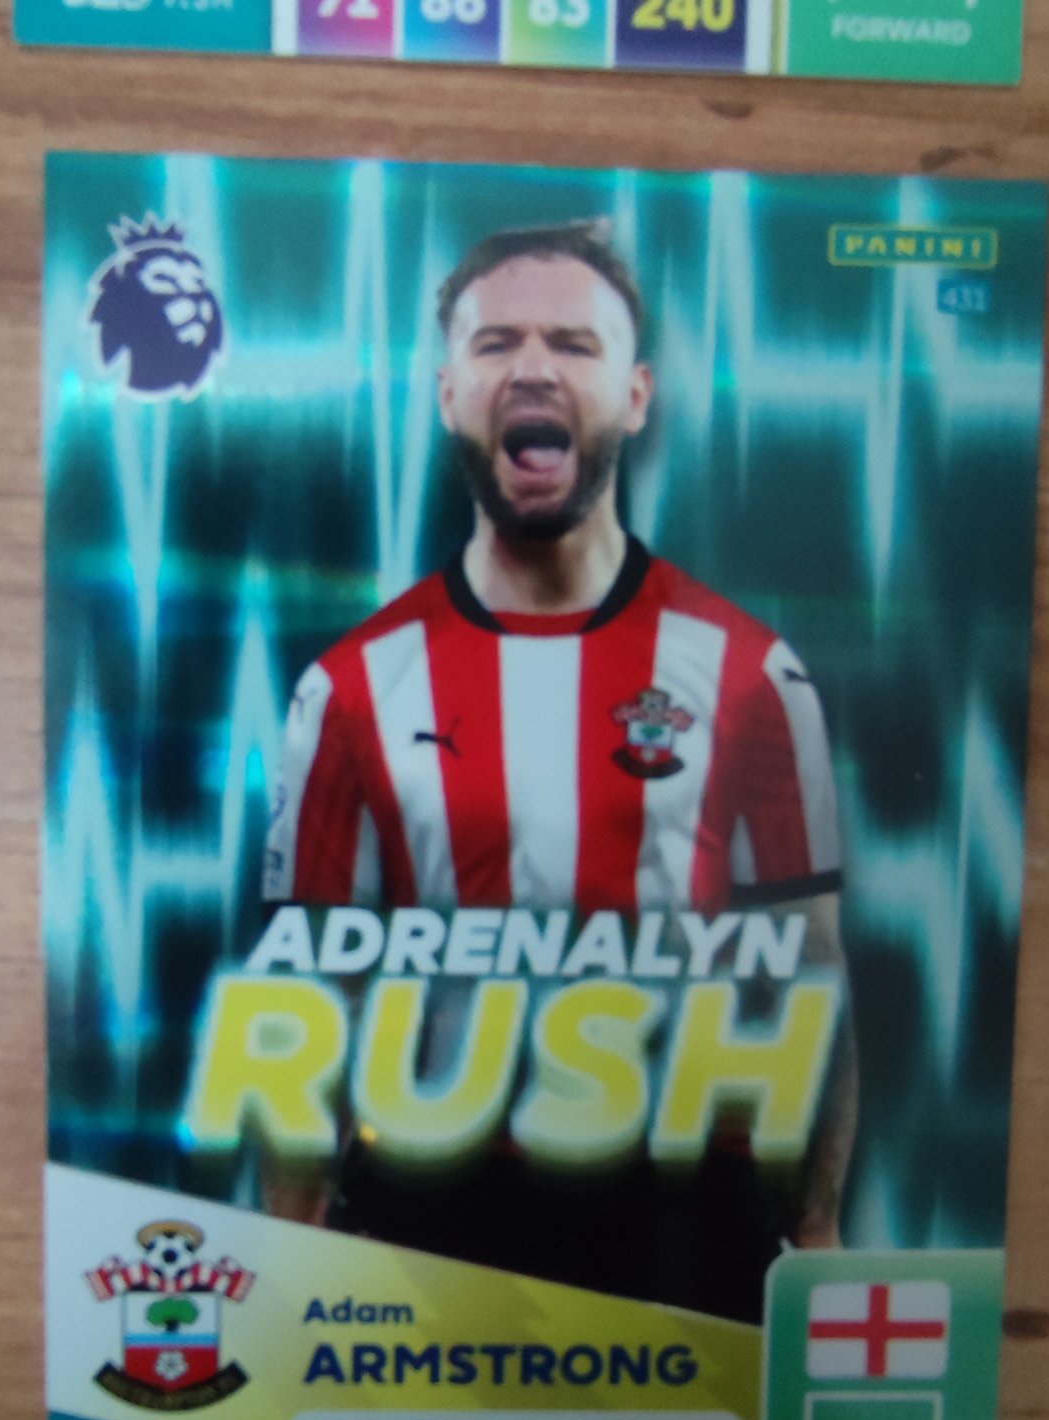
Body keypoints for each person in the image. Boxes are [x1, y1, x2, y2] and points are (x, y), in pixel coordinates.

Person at [262, 220, 856, 1320]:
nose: (532, 367)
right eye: (496, 343)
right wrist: (289, 1236)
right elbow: (309, 996)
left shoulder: (752, 674)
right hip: (433, 1211)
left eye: (572, 343)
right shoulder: (348, 688)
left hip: (685, 1209)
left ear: (634, 396)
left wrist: (815, 1233)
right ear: (447, 393)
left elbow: (809, 976)